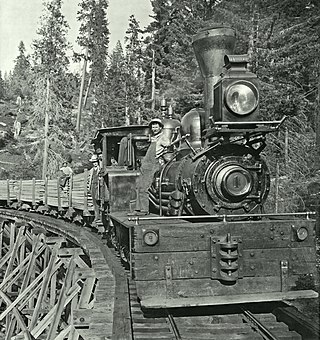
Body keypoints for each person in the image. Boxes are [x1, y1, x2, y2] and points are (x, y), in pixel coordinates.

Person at [130, 118, 170, 215]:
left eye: (156, 126)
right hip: (146, 165)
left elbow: (168, 145)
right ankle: (138, 209)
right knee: (138, 186)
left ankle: (144, 210)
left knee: (144, 188)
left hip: (153, 164)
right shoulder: (153, 138)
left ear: (160, 127)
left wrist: (163, 148)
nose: (154, 128)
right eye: (153, 126)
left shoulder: (163, 137)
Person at [88, 154, 102, 223]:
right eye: (93, 162)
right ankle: (97, 216)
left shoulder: (100, 169)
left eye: (96, 162)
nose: (95, 163)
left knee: (98, 201)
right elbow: (90, 179)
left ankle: (100, 216)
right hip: (93, 186)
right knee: (94, 202)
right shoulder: (91, 170)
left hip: (98, 186)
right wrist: (89, 188)